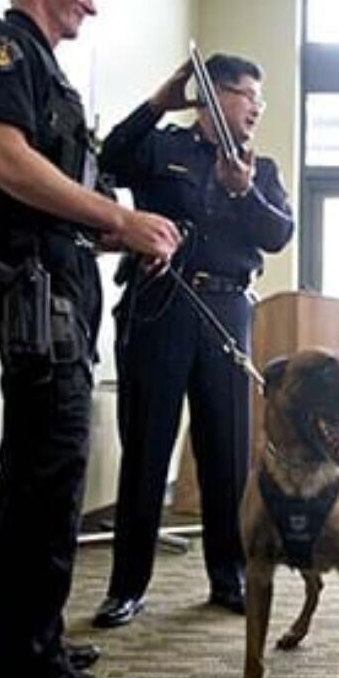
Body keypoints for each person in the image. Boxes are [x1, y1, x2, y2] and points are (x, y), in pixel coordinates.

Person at [0, 0, 181, 678]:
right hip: (36, 293)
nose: (94, 3)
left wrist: (127, 233)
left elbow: (63, 197)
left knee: (28, 477)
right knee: (49, 482)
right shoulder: (1, 49)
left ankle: (10, 636)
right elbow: (3, 160)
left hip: (62, 287)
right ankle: (28, 675)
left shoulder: (51, 75)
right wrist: (118, 216)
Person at [91, 55, 295, 628]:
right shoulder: (163, 148)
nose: (255, 107)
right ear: (211, 96)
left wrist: (243, 192)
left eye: (261, 98)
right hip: (159, 305)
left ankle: (227, 577)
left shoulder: (263, 170)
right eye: (245, 94)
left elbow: (278, 233)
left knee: (225, 454)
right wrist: (160, 99)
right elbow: (109, 157)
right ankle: (126, 587)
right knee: (147, 452)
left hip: (227, 309)